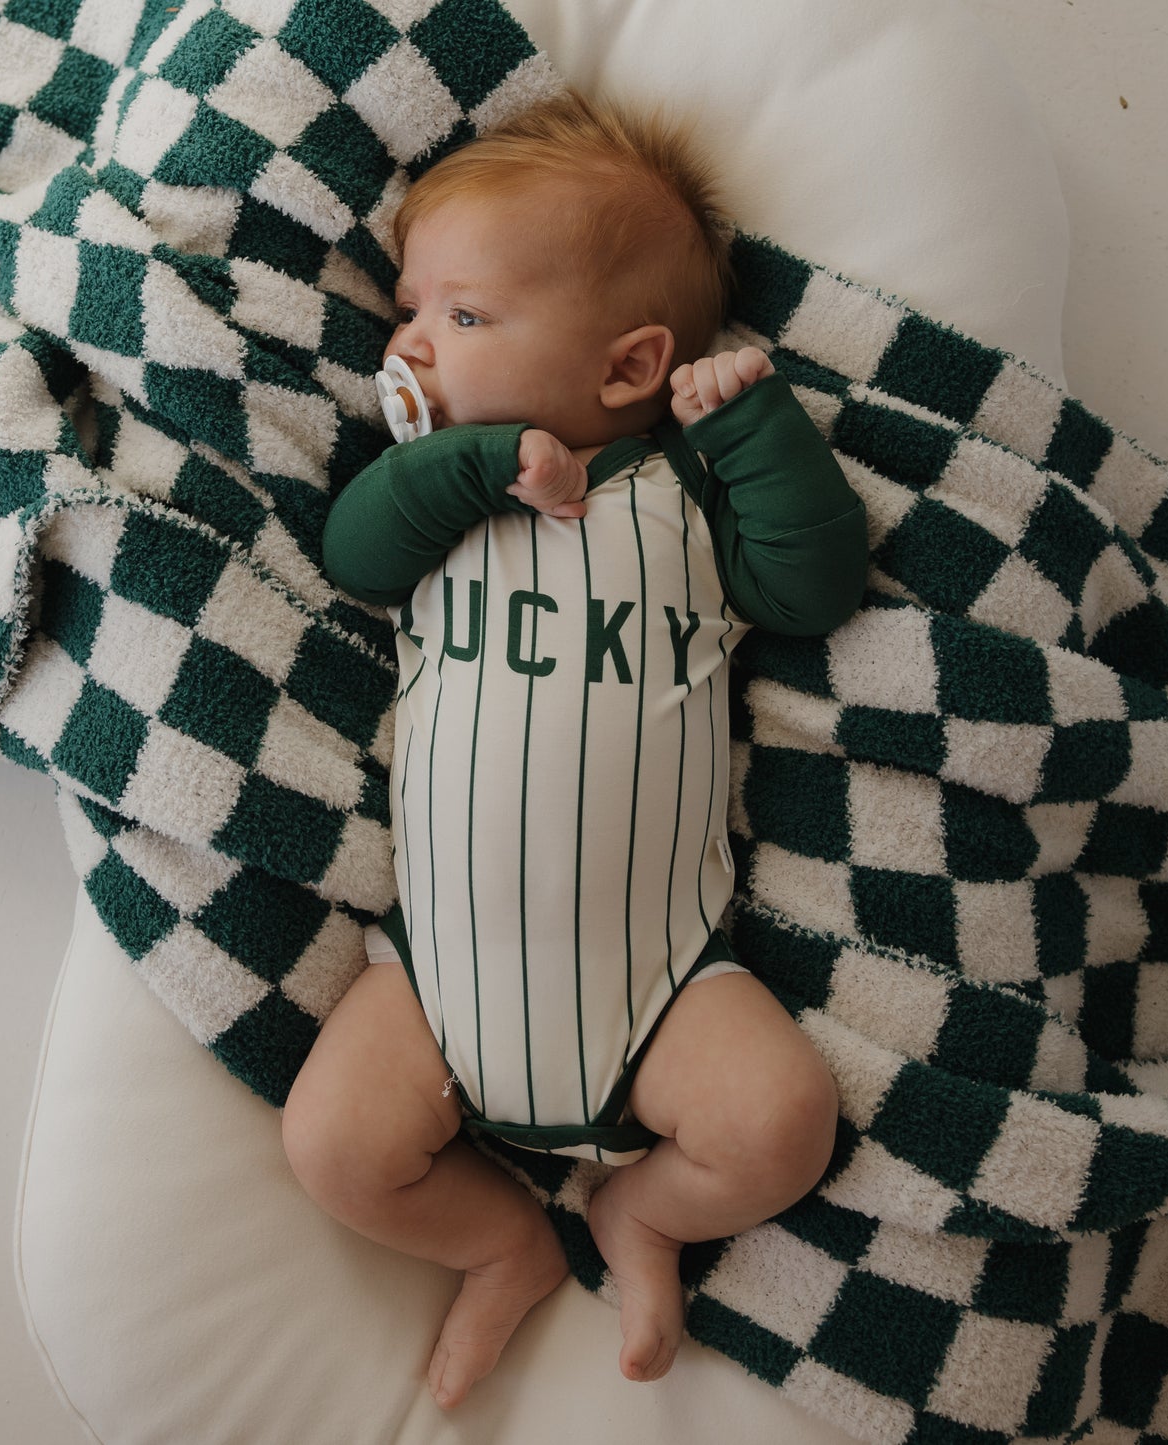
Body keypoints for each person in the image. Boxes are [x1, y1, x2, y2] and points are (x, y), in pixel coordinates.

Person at [283, 90, 868, 1411]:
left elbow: (812, 586)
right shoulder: (440, 502)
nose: (415, 345)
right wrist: (485, 462)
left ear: (626, 365)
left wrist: (750, 429)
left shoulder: (685, 504)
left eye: (464, 316)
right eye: (411, 312)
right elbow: (353, 552)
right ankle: (500, 1242)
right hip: (427, 986)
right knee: (334, 1146)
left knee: (781, 1123)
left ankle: (641, 1213)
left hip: (660, 992)